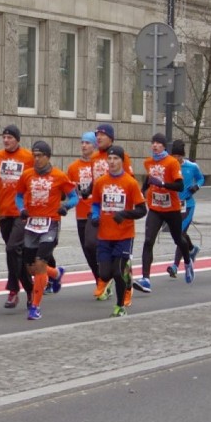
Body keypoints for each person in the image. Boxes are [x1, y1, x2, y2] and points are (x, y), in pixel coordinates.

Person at [14, 140, 77, 320]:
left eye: (40, 156)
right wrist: (21, 209)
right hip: (32, 224)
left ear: (48, 157)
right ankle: (56, 274)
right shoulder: (26, 175)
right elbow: (18, 196)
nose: (36, 159)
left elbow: (74, 197)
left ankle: (35, 307)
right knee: (31, 268)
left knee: (41, 263)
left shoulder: (59, 176)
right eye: (34, 156)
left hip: (50, 224)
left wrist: (66, 206)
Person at [0, 125, 35, 309]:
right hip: (4, 213)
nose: (5, 140)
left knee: (12, 249)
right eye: (3, 137)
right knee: (15, 255)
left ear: (17, 139)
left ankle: (13, 290)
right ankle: (30, 289)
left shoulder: (28, 157)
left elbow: (39, 179)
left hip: (22, 212)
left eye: (9, 137)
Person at [90, 145, 147, 317]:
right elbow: (95, 204)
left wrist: (124, 214)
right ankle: (124, 279)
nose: (112, 162)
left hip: (124, 235)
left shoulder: (130, 183)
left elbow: (142, 210)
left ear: (122, 161)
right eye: (110, 159)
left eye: (116, 159)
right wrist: (94, 216)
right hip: (105, 235)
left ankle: (120, 306)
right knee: (104, 273)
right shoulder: (100, 182)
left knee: (117, 272)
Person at [86, 123, 136, 306]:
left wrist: (125, 211)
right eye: (96, 135)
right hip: (99, 211)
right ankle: (103, 277)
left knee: (118, 265)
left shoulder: (123, 156)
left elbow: (129, 182)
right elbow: (96, 183)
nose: (98, 138)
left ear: (111, 138)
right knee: (90, 244)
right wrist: (87, 191)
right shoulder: (93, 158)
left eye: (102, 135)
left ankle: (124, 282)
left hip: (120, 215)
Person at [135, 133, 191, 293]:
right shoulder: (149, 162)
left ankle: (187, 262)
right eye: (153, 142)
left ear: (164, 146)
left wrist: (163, 184)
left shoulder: (172, 162)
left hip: (172, 209)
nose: (155, 145)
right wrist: (142, 191)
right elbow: (149, 179)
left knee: (178, 239)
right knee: (148, 241)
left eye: (158, 143)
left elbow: (179, 186)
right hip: (155, 208)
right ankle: (145, 279)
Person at [68, 131, 110, 300]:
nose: (84, 145)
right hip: (81, 214)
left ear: (95, 145)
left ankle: (105, 279)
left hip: (99, 213)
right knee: (87, 249)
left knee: (97, 246)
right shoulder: (73, 168)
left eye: (88, 143)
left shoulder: (100, 164)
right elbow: (69, 191)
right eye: (82, 142)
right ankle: (100, 280)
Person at [167, 139, 205, 280]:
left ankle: (175, 266)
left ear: (183, 156)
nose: (176, 159)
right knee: (180, 234)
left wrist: (196, 187)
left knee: (180, 234)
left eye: (179, 156)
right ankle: (191, 249)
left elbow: (201, 179)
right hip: (173, 205)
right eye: (174, 156)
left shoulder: (192, 166)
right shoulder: (169, 167)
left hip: (188, 205)